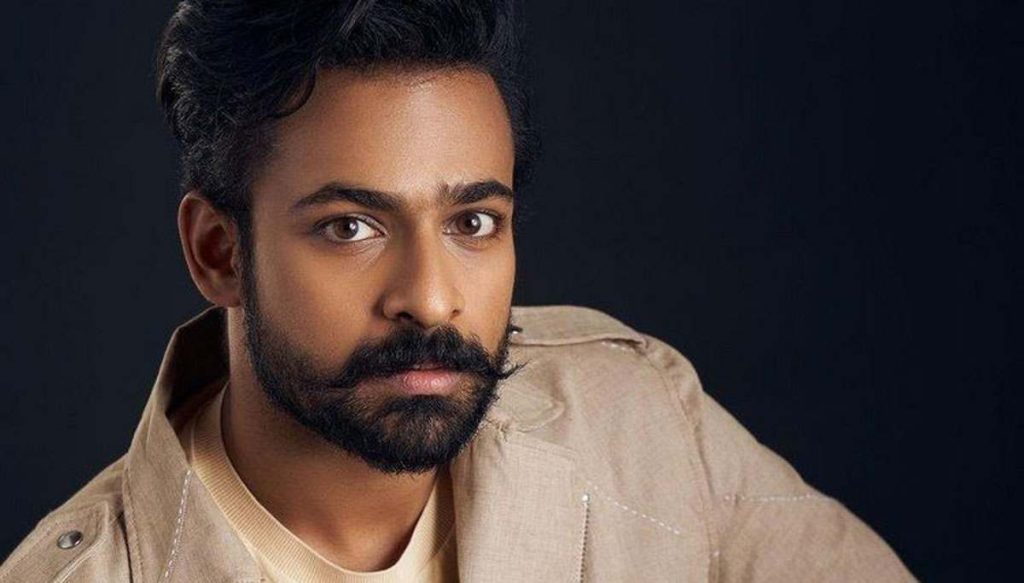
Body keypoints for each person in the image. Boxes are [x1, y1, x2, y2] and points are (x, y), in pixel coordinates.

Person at [0, 1, 916, 581]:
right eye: (350, 227)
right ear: (218, 252)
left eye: (473, 221)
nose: (432, 299)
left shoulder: (642, 421)